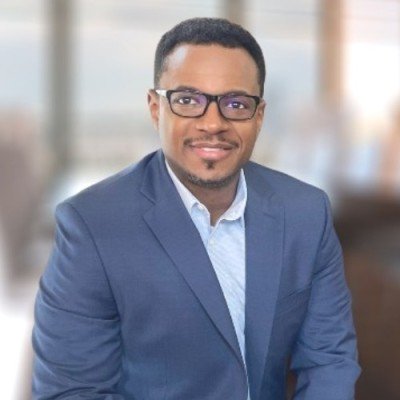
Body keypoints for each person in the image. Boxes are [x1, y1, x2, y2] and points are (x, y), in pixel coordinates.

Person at [32, 17, 361, 400]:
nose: (212, 123)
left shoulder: (306, 212)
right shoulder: (91, 226)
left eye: (235, 104)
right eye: (188, 101)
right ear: (156, 108)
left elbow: (329, 361)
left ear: (259, 116)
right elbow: (73, 392)